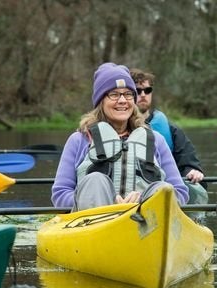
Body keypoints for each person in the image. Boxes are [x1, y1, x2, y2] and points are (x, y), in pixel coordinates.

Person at [51, 63, 189, 210]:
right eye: (114, 94)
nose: (122, 100)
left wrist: (144, 200)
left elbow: (180, 193)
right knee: (95, 180)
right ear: (100, 101)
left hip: (143, 221)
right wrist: (105, 201)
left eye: (128, 94)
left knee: (163, 188)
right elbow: (60, 195)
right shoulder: (79, 140)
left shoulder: (156, 140)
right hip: (94, 222)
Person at [130, 68, 206, 187]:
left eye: (147, 90)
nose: (143, 95)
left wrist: (192, 171)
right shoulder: (120, 127)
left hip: (164, 187)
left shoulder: (171, 129)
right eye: (138, 91)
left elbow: (187, 160)